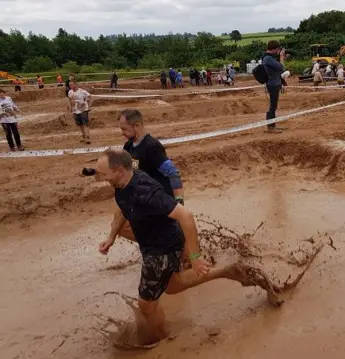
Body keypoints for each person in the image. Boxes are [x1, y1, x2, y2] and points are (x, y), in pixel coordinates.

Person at [95, 148, 256, 345]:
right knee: (172, 286)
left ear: (119, 170)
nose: (102, 179)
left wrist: (195, 258)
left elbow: (186, 217)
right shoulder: (124, 182)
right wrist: (111, 237)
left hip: (161, 250)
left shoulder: (145, 191)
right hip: (156, 243)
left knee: (146, 304)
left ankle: (163, 343)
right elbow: (123, 207)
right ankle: (227, 272)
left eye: (104, 174)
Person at [115, 108, 185, 242]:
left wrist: (179, 202)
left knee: (178, 248)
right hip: (142, 199)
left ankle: (176, 248)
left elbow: (173, 174)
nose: (121, 132)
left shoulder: (152, 147)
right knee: (120, 226)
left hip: (159, 200)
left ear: (137, 125)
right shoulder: (128, 147)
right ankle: (159, 245)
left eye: (124, 129)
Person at [262, 40, 286, 133]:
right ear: (275, 49)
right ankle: (271, 127)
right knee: (272, 106)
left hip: (274, 83)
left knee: (273, 106)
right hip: (273, 84)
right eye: (277, 49)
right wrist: (281, 57)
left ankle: (272, 125)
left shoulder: (268, 58)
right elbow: (281, 67)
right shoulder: (268, 58)